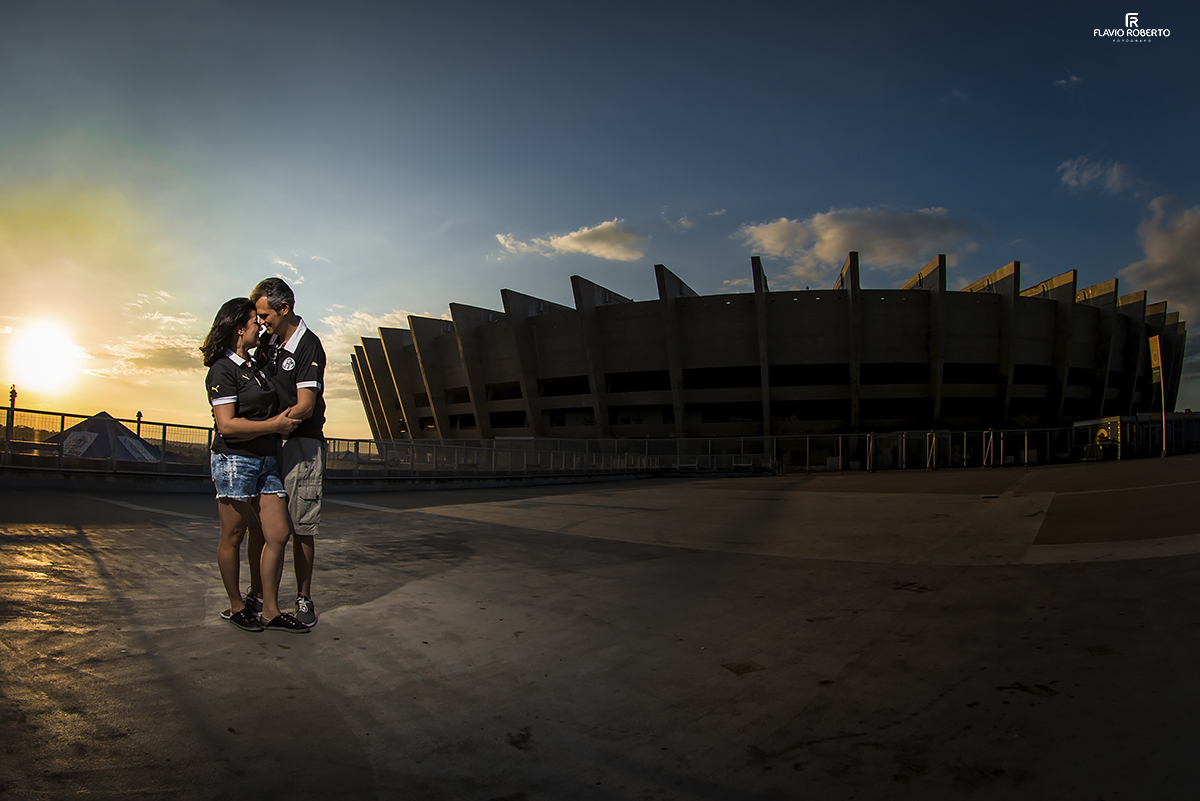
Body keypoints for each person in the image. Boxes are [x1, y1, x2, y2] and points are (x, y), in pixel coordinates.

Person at [200, 297, 308, 634]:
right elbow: (227, 426)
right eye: (253, 320)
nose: (260, 325)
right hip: (235, 460)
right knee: (233, 535)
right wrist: (275, 425)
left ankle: (270, 611)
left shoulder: (255, 365)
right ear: (238, 328)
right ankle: (236, 606)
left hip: (265, 461)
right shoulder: (222, 369)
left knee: (277, 533)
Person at [241, 278, 327, 628]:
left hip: (301, 445)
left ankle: (304, 599)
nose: (260, 322)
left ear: (284, 309)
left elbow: (305, 406)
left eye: (264, 315)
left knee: (301, 526)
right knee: (261, 525)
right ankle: (257, 594)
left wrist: (274, 425)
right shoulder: (269, 343)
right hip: (271, 442)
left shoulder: (309, 346)